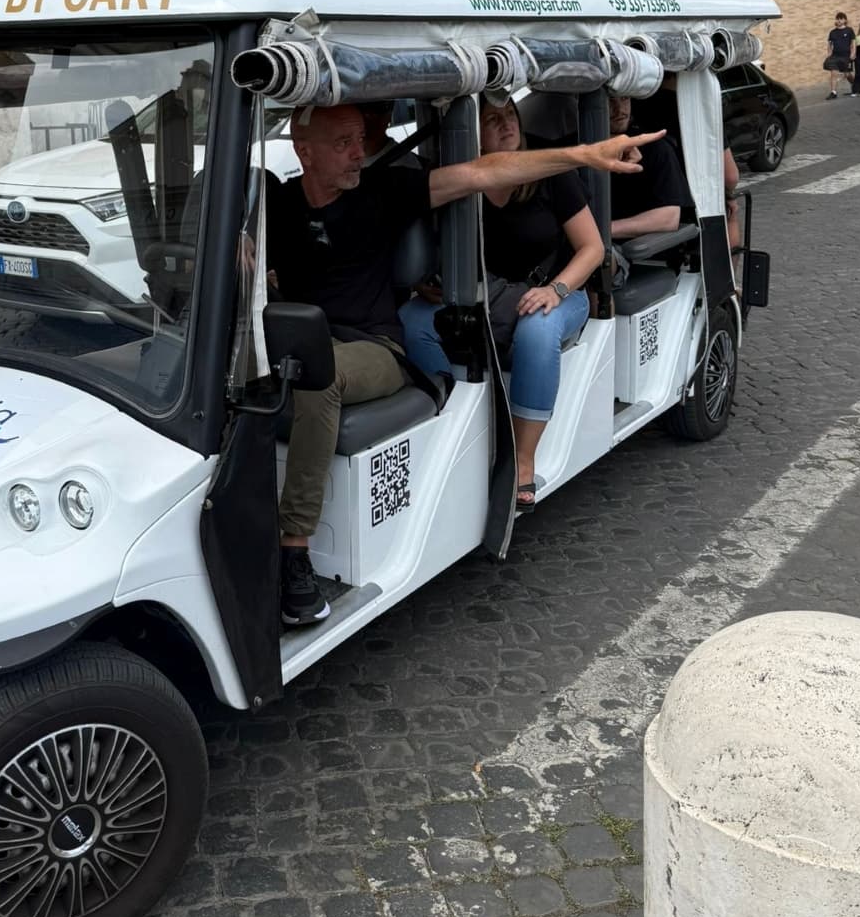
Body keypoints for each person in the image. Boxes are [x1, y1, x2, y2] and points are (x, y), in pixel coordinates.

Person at [266, 102, 664, 625]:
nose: (359, 152)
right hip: (296, 343)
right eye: (343, 143)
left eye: (360, 139)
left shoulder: (384, 192)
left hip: (375, 350)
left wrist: (583, 154)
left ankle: (292, 553)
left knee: (318, 375)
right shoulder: (279, 205)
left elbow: (483, 171)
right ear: (304, 152)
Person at [399, 96, 603, 516]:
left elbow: (593, 248)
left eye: (510, 114)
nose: (506, 124)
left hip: (561, 293)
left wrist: (558, 290)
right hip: (486, 297)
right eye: (492, 120)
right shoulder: (461, 181)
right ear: (471, 135)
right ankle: (455, 423)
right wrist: (433, 283)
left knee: (538, 328)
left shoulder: (551, 173)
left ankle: (522, 459)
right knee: (412, 320)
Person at [607, 93, 692, 240]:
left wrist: (601, 231)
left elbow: (668, 217)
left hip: (631, 249)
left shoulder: (655, 147)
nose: (619, 109)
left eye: (624, 98)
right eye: (610, 101)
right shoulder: (579, 148)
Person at [824, 12, 855, 99]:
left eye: (841, 19)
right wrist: (829, 54)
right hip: (835, 56)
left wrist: (853, 53)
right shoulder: (832, 32)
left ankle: (855, 85)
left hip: (846, 56)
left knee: (847, 74)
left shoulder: (849, 30)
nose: (839, 20)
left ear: (845, 20)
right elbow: (829, 44)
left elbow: (853, 42)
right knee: (833, 73)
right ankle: (833, 92)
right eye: (837, 19)